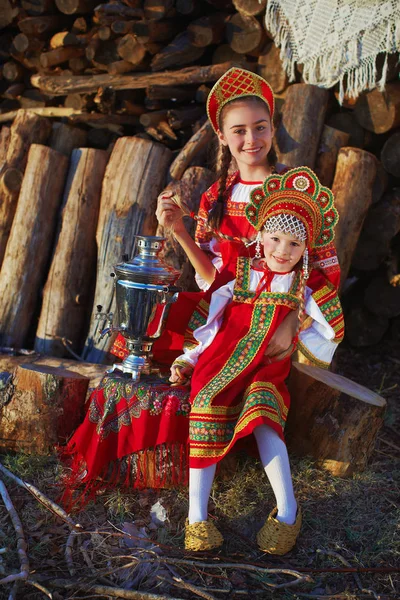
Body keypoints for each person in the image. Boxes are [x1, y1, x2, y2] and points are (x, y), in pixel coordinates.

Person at [169, 166, 344, 555]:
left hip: (265, 370)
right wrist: (190, 358)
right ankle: (196, 517)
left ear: (307, 250)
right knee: (205, 409)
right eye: (276, 238)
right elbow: (211, 321)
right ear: (261, 236)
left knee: (265, 418)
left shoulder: (304, 286)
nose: (283, 251)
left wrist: (296, 324)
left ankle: (288, 511)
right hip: (220, 366)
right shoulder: (239, 273)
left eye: (295, 245)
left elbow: (333, 324)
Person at [111, 67, 303, 365]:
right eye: (239, 130)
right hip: (224, 306)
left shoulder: (292, 187)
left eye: (260, 127)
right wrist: (178, 230)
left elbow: (318, 269)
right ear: (222, 136)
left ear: (272, 129)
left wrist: (291, 323)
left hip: (275, 310)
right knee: (151, 328)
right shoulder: (215, 197)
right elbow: (214, 279)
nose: (251, 138)